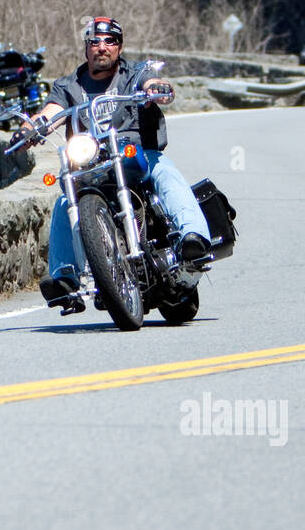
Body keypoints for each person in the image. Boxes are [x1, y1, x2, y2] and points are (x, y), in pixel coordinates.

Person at [14, 16, 211, 313]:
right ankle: (64, 277)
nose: (101, 47)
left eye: (109, 41)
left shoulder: (134, 74)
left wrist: (156, 88)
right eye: (94, 41)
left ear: (119, 47)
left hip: (136, 153)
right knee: (64, 200)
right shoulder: (69, 86)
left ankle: (193, 237)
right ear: (86, 48)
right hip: (91, 161)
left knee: (166, 174)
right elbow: (51, 111)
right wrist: (32, 127)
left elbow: (151, 81)